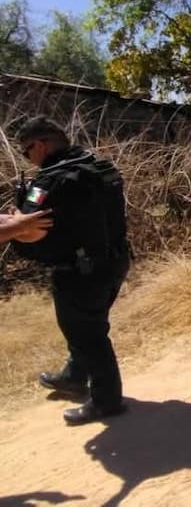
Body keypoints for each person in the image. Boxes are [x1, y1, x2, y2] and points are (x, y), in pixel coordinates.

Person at [11, 117, 130, 425]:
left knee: (87, 335)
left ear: (40, 145)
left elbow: (27, 226)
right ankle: (74, 376)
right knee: (90, 324)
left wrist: (15, 216)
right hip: (114, 262)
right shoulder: (100, 167)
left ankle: (107, 402)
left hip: (80, 272)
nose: (29, 159)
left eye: (27, 152)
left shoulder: (51, 180)